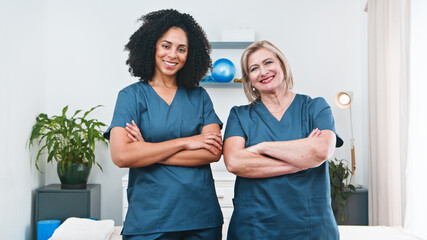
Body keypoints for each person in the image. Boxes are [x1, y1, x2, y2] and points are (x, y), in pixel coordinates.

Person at [104, 9, 223, 239]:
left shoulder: (199, 97)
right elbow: (121, 156)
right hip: (149, 221)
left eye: (182, 49)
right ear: (152, 47)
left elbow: (213, 152)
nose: (173, 55)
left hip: (201, 219)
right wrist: (188, 142)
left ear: (191, 54)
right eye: (166, 46)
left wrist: (146, 149)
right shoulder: (131, 96)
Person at [223, 40, 343, 240]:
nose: (263, 71)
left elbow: (321, 150)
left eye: (268, 62)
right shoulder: (239, 116)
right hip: (255, 228)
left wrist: (262, 147)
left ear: (282, 65)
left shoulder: (315, 108)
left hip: (310, 227)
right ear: (249, 79)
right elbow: (234, 161)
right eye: (254, 68)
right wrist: (301, 161)